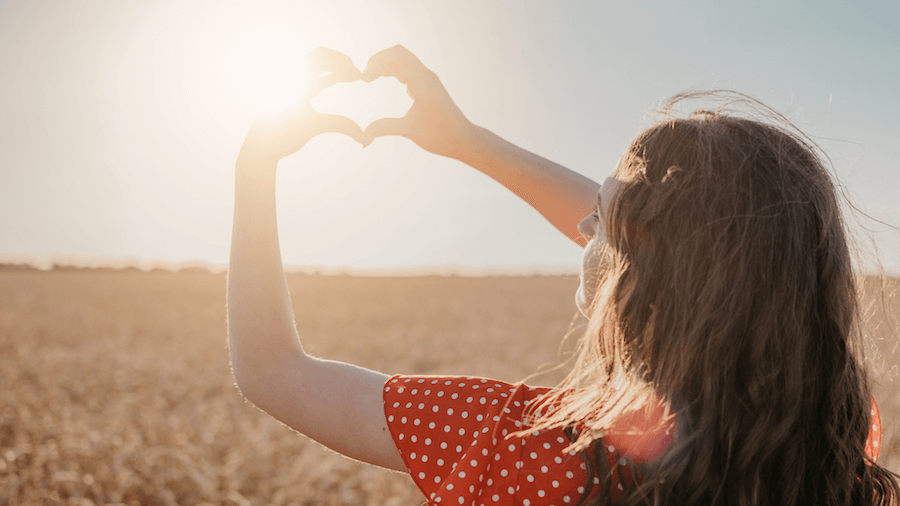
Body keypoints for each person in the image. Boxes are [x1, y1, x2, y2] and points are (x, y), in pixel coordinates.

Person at [227, 46, 898, 506]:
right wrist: (463, 139)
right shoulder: (835, 435)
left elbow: (273, 371)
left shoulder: (520, 444)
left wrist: (255, 164)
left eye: (600, 220)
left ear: (646, 281)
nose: (581, 226)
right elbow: (684, 247)